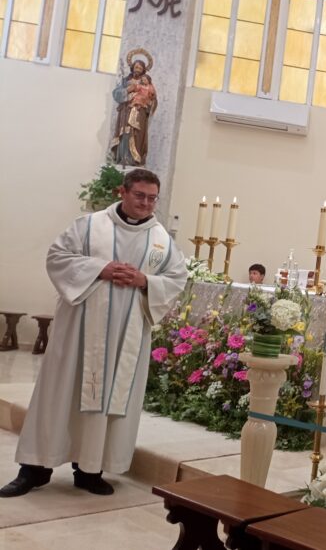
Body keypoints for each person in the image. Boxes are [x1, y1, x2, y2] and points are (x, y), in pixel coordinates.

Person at [0, 169, 187, 498]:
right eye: (139, 195)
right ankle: (34, 470)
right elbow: (57, 257)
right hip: (78, 335)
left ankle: (89, 471)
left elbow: (177, 279)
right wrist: (100, 268)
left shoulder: (161, 240)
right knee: (57, 397)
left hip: (125, 340)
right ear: (122, 192)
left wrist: (145, 281)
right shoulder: (88, 226)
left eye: (152, 198)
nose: (146, 203)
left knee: (107, 402)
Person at [110, 51, 157, 167]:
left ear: (143, 70)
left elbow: (153, 100)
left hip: (139, 112)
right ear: (132, 68)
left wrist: (147, 102)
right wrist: (127, 90)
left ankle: (134, 160)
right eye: (136, 67)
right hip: (126, 111)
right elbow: (116, 94)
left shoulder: (147, 84)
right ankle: (122, 158)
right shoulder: (126, 81)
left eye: (140, 68)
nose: (138, 69)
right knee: (125, 132)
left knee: (136, 134)